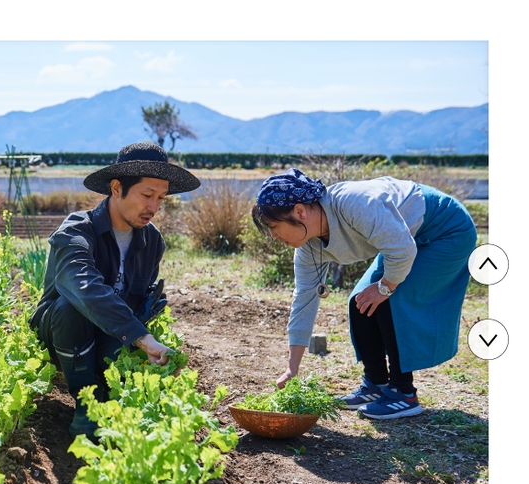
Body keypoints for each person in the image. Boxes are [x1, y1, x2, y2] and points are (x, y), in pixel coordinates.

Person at [252, 168, 477, 420]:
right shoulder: (308, 249)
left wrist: (385, 287)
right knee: (360, 300)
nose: (272, 235)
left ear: (299, 212)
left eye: (273, 226)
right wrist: (292, 369)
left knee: (392, 301)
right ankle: (376, 384)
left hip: (445, 229)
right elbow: (304, 300)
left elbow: (402, 250)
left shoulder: (355, 203)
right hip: (405, 237)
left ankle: (404, 393)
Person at [30, 142, 200, 438]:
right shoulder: (76, 231)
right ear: (117, 187)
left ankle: (107, 389)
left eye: (161, 198)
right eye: (147, 195)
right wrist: (145, 340)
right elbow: (84, 287)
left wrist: (153, 354)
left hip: (115, 337)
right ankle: (86, 402)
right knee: (73, 307)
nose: (154, 207)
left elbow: (139, 305)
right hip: (63, 337)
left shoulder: (152, 241)